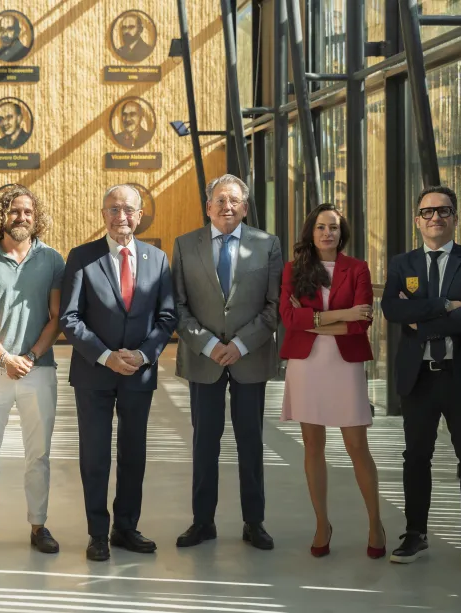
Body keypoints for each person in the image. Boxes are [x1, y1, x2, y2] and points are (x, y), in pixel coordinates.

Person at [59, 184, 177, 561]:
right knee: (95, 456)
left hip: (137, 374)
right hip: (95, 373)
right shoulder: (82, 257)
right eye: (113, 209)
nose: (120, 216)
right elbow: (70, 318)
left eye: (128, 209)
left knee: (133, 453)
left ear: (139, 216)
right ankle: (97, 534)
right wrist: (106, 355)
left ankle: (125, 527)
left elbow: (167, 316)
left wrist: (144, 355)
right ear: (103, 214)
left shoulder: (158, 259)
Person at [381, 185, 461, 572]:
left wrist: (421, 320)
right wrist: (444, 306)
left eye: (443, 211)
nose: (435, 218)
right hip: (419, 378)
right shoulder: (402, 263)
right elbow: (391, 307)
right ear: (417, 221)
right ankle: (415, 534)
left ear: (455, 218)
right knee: (416, 458)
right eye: (427, 212)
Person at [171, 174, 283, 551]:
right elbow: (179, 306)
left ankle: (254, 522)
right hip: (204, 360)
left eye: (234, 200)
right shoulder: (186, 246)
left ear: (245, 207)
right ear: (208, 206)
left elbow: (273, 307)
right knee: (205, 443)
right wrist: (206, 345)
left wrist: (239, 344)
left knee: (250, 443)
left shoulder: (267, 245)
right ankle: (203, 522)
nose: (227, 207)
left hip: (248, 358)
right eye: (220, 200)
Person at [279, 204, 385, 559]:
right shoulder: (294, 270)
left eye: (334, 228)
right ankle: (322, 523)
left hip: (344, 362)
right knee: (312, 446)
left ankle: (375, 523)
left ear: (343, 233)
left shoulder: (357, 269)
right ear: (311, 231)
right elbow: (290, 320)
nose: (328, 233)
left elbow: (360, 324)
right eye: (321, 227)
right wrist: (340, 315)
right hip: (306, 363)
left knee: (357, 445)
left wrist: (317, 321)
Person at [0, 185, 64, 555]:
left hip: (39, 370)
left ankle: (39, 525)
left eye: (27, 212)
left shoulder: (53, 260)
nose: (21, 217)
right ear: (1, 216)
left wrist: (31, 357)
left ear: (35, 218)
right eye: (14, 211)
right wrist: (6, 357)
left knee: (38, 455)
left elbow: (57, 318)